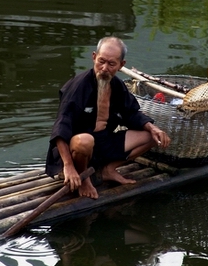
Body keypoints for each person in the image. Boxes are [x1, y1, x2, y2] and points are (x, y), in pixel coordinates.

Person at [45, 36, 171, 199]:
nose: (104, 68)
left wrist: (154, 128)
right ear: (94, 57)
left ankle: (108, 170)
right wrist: (68, 165)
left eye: (111, 64)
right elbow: (61, 126)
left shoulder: (117, 86)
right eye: (101, 61)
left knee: (152, 136)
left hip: (103, 142)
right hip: (75, 149)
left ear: (121, 65)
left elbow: (132, 114)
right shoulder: (78, 87)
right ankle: (84, 178)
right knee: (85, 141)